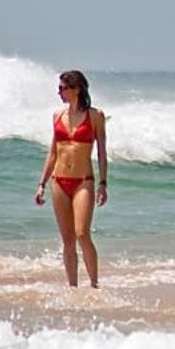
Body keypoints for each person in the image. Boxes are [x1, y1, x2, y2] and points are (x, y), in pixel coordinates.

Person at [35, 69, 108, 288]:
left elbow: (102, 153)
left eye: (63, 89)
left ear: (77, 89)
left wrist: (103, 184)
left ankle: (94, 285)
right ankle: (73, 288)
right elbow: (53, 152)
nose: (59, 93)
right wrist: (42, 184)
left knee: (82, 233)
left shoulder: (95, 116)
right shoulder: (57, 115)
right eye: (59, 89)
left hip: (83, 180)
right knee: (67, 240)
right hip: (59, 180)